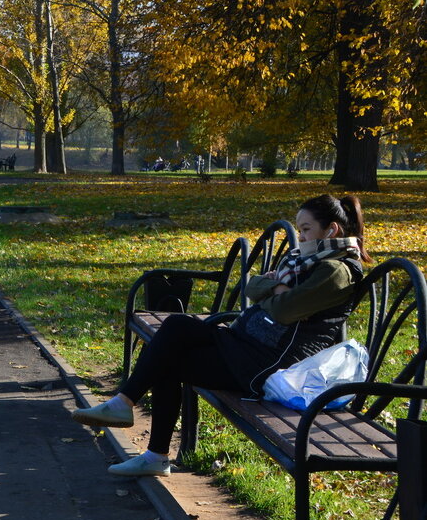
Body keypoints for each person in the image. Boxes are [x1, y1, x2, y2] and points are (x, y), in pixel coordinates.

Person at [73, 194, 371, 476]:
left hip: (266, 365)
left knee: (171, 345)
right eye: (299, 230)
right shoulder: (309, 259)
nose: (301, 237)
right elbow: (252, 285)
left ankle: (134, 421)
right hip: (246, 344)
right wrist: (277, 289)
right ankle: (142, 436)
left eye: (306, 229)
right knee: (172, 341)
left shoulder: (336, 271)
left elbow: (283, 311)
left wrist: (277, 288)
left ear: (331, 229)